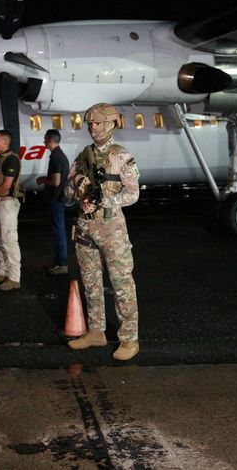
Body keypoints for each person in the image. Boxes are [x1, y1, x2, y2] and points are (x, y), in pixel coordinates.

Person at [65, 103, 141, 361]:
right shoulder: (83, 156)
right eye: (90, 124)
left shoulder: (121, 156)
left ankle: (129, 339)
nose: (92, 127)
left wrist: (106, 201)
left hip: (112, 230)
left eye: (97, 123)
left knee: (121, 285)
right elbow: (66, 191)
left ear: (111, 124)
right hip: (86, 228)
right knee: (91, 284)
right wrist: (78, 184)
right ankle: (96, 332)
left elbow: (133, 193)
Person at [0, 130, 23, 290]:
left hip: (7, 203)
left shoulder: (11, 159)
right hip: (0, 202)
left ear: (5, 142)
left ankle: (14, 277)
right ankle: (2, 272)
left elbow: (6, 185)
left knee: (9, 240)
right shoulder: (0, 158)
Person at [36, 129, 70, 275]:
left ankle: (62, 264)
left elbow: (55, 182)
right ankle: (59, 262)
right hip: (58, 199)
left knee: (59, 232)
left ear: (50, 139)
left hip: (56, 200)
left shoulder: (56, 157)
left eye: (45, 138)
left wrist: (42, 179)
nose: (43, 141)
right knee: (59, 232)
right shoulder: (60, 155)